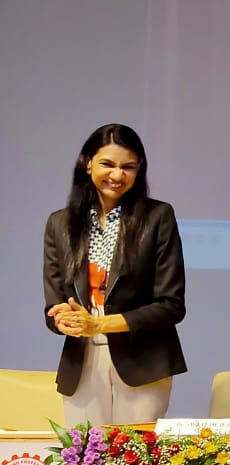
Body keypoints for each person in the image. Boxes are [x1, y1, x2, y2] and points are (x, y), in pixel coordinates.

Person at [43, 123, 187, 426]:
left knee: (134, 455)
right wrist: (62, 318)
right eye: (107, 164)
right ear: (88, 164)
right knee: (85, 452)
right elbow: (55, 303)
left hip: (143, 362)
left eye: (128, 167)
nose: (117, 175)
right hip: (80, 362)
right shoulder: (60, 224)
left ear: (139, 169)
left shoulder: (158, 217)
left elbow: (171, 305)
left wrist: (99, 324)